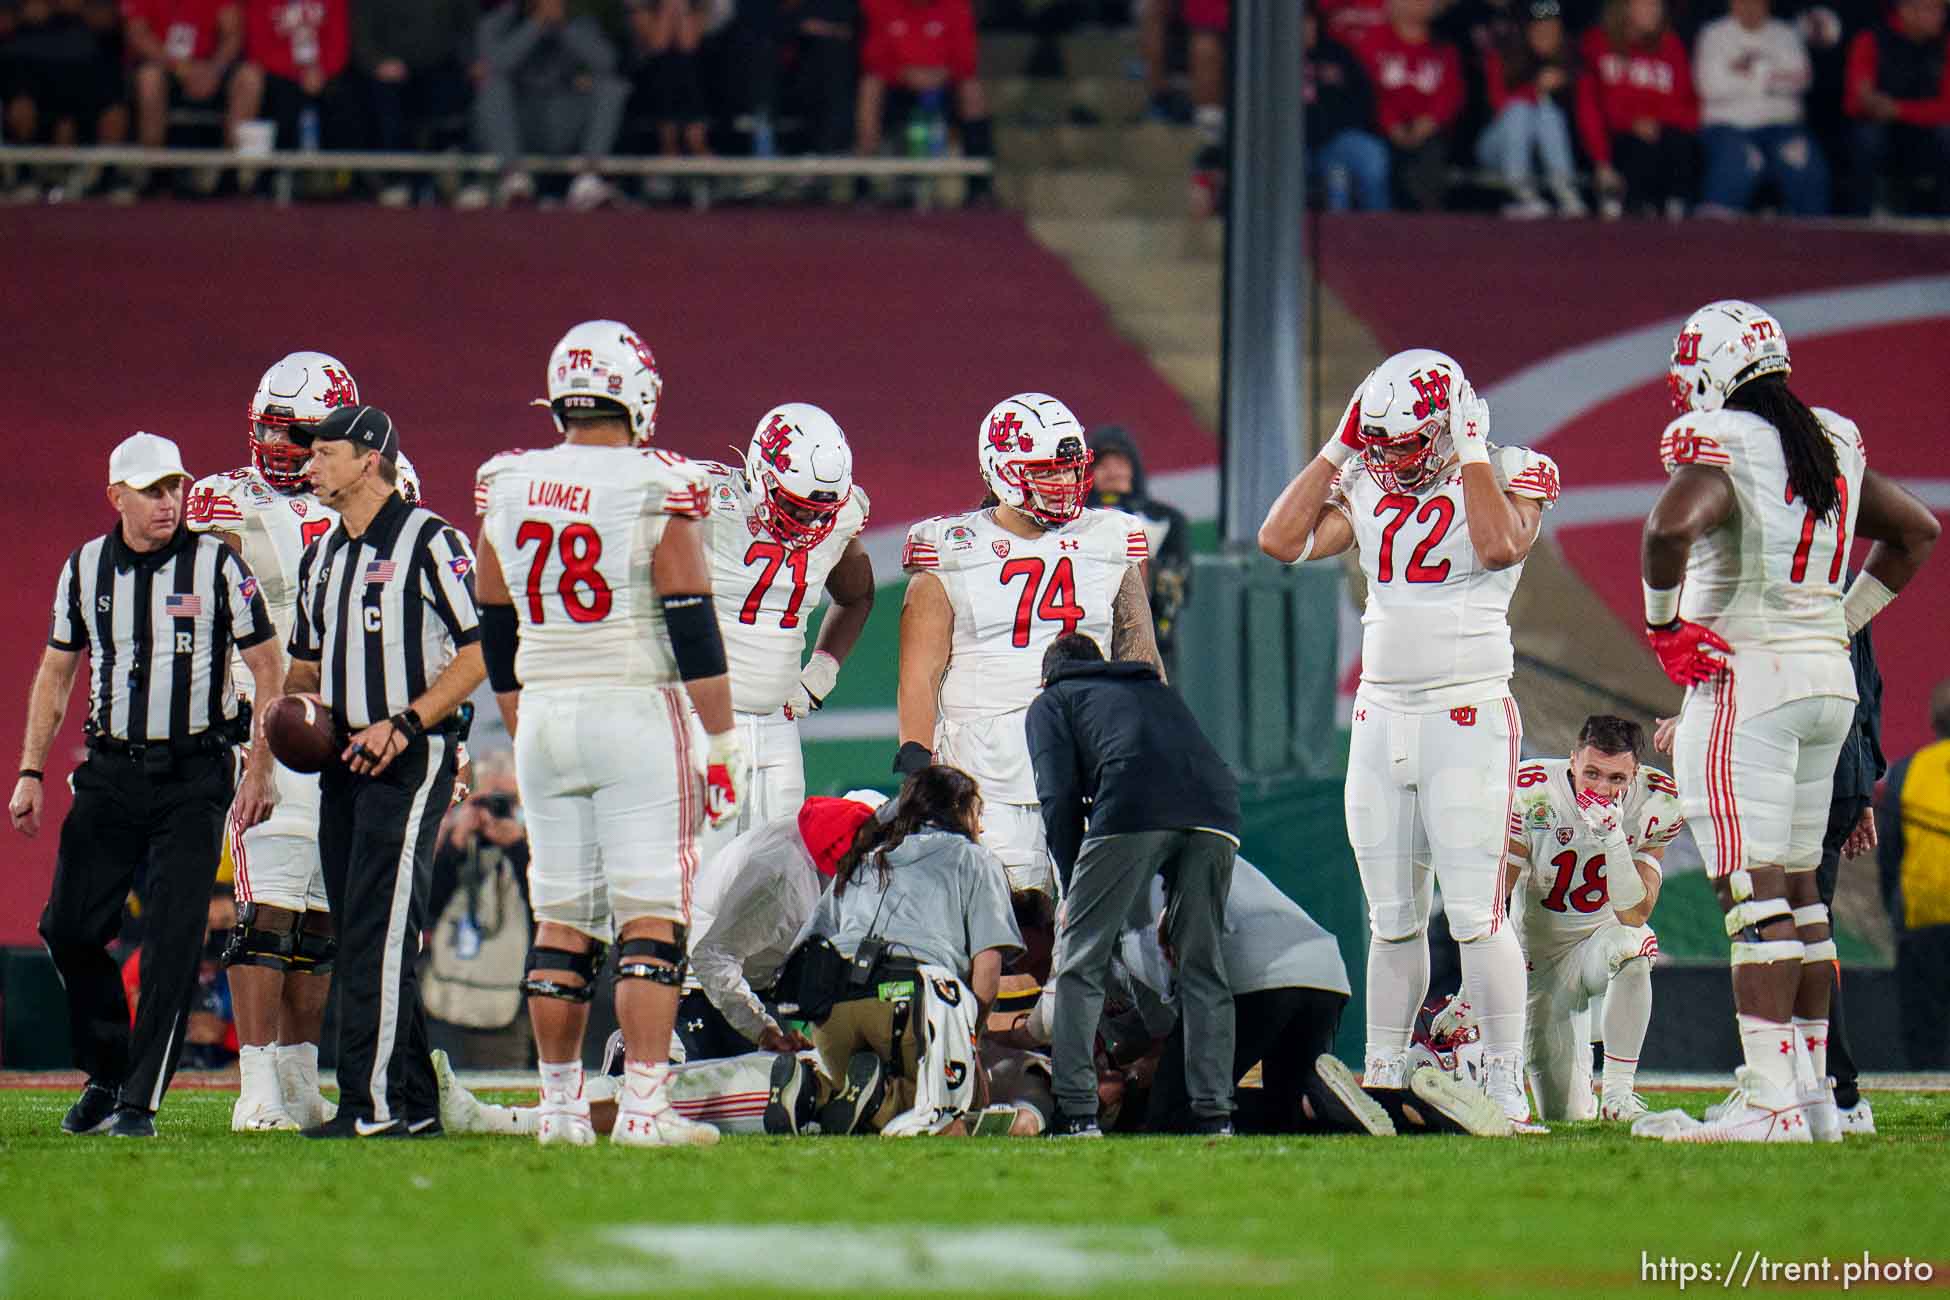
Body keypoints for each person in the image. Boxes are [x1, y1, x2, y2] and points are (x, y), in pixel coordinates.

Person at [1634, 299, 1938, 1142]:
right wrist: (1838, 621)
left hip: (1748, 684)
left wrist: (1665, 628)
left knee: (1753, 896)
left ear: (1712, 368)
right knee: (1801, 896)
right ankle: (1809, 1097)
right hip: (1823, 682)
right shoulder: (1828, 438)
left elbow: (1667, 527)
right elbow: (1916, 530)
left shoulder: (1726, 444)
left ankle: (1768, 1093)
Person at [1257, 348, 1562, 1128]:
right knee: (1389, 914)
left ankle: (1502, 1078)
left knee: (1474, 912)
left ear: (1455, 420)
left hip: (1467, 712)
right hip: (1380, 715)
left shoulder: (1508, 468)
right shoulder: (1366, 477)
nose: (1389, 457)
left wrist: (1465, 452)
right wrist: (1337, 446)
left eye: (1405, 441)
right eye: (1380, 441)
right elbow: (1279, 541)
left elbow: (1498, 545)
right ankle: (1386, 1073)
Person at [474, 319, 743, 1149]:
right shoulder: (657, 480)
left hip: (546, 710)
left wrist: (519, 710)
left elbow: (493, 608)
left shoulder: (508, 479)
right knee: (650, 915)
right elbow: (690, 613)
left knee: (561, 917)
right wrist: (724, 737)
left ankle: (559, 1110)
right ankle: (642, 1109)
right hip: (632, 706)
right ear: (638, 394)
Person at [11, 432, 281, 1138]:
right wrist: (31, 770)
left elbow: (269, 665)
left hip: (196, 771)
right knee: (67, 928)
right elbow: (55, 672)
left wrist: (259, 764)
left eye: (175, 487)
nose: (170, 502)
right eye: (153, 490)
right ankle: (106, 1068)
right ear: (117, 497)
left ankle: (138, 1101)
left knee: (171, 934)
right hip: (110, 769)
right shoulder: (85, 569)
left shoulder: (218, 564)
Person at [284, 404, 486, 1138]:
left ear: (370, 458)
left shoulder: (433, 541)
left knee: (376, 928)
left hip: (410, 760)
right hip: (340, 765)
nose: (309, 465)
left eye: (324, 452)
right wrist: (290, 718)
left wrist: (405, 723)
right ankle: (415, 1104)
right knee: (367, 930)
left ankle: (367, 1107)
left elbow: (482, 647)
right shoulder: (322, 556)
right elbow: (305, 665)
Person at [185, 350, 363, 1133]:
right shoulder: (223, 499)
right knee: (268, 909)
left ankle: (297, 1080)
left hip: (349, 719)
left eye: (297, 431)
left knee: (320, 915)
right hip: (266, 720)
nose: (280, 445)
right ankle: (255, 1084)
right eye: (272, 428)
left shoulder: (374, 490)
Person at [896, 393, 1159, 900]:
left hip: (1086, 758)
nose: (1064, 484)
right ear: (1003, 470)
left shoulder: (1110, 538)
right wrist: (916, 766)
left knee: (1094, 919)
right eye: (1048, 472)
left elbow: (1141, 658)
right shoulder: (952, 548)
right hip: (983, 769)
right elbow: (920, 673)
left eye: (1070, 470)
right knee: (999, 918)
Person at [1026, 632, 1240, 1136]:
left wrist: (1072, 874)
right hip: (1218, 812)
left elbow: (1057, 796)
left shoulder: (1054, 700)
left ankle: (1077, 1110)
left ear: (1046, 675)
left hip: (1132, 804)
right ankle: (1215, 1114)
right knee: (1203, 967)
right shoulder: (1153, 689)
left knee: (1082, 962)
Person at [688, 403, 874, 946]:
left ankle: (755, 1023)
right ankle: (674, 1029)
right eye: (798, 506)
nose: (812, 523)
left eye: (823, 510)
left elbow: (857, 594)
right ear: (760, 475)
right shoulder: (702, 502)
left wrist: (821, 672)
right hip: (703, 724)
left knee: (782, 891)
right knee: (701, 885)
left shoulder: (834, 521)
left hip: (776, 725)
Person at [785, 765, 1023, 1136]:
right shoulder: (975, 860)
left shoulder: (862, 859)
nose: (981, 826)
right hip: (909, 1005)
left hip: (833, 1010)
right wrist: (967, 1040)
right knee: (954, 1116)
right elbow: (988, 973)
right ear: (959, 809)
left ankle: (818, 1091)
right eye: (978, 813)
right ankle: (880, 1100)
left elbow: (804, 951)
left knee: (867, 1109)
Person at [1504, 715, 1682, 1124]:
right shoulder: (1532, 792)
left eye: (1617, 779)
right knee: (1563, 1115)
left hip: (1601, 942)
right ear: (1572, 762)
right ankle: (1579, 1036)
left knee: (1634, 945)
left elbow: (1634, 913)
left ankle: (1619, 1094)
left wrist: (1614, 839)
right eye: (1592, 774)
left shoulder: (1658, 802)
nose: (1603, 789)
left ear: (1635, 773)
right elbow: (1496, 900)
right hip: (1540, 961)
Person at [690, 794, 881, 1062]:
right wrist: (764, 1030)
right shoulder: (784, 883)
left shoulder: (856, 820)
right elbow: (711, 957)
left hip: (758, 976)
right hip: (705, 988)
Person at [471, 0, 630, 210]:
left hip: (563, 119)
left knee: (612, 87)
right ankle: (514, 180)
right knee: (492, 86)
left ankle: (588, 179)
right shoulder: (499, 22)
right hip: (520, 124)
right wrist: (536, 24)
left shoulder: (578, 21)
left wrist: (563, 27)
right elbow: (495, 64)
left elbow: (606, 62)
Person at [1694, 0, 1829, 217]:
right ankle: (1714, 237)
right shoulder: (1714, 34)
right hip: (1729, 128)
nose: (1750, 6)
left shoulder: (1785, 34)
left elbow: (1802, 80)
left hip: (1783, 127)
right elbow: (1710, 85)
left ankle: (1815, 239)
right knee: (1738, 161)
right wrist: (1769, 77)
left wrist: (1744, 74)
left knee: (1806, 161)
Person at [1875, 679, 1950, 1070]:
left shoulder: (1908, 771)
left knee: (1926, 1028)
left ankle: (1927, 1087)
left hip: (1924, 915)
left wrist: (1894, 910)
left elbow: (1890, 849)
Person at [853, 0, 995, 205]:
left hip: (943, 86)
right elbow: (874, 56)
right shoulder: (881, 5)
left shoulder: (956, 6)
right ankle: (863, 184)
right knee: (870, 85)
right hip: (897, 85)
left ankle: (979, 187)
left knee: (971, 89)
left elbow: (966, 58)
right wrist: (903, 73)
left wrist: (941, 73)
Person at [1575, 0, 1699, 219]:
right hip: (1618, 143)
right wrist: (1601, 161)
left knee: (1677, 144)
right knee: (1637, 150)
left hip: (1665, 139)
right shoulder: (1597, 43)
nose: (1655, 10)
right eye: (1646, 4)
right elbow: (1590, 109)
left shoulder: (1671, 45)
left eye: (1658, 5)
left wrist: (1655, 120)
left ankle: (1675, 210)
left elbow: (1689, 108)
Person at [350, 0, 477, 207]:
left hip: (444, 63)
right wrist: (376, 63)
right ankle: (396, 179)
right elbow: (361, 32)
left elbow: (468, 23)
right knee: (383, 102)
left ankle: (456, 178)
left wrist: (470, 60)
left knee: (451, 96)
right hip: (388, 67)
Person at [1086, 428, 1190, 666]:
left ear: (1133, 468)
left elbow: (1179, 589)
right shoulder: (1072, 521)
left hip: (1150, 646)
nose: (1113, 472)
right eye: (1103, 464)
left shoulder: (1166, 520)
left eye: (1120, 462)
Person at [1351, 0, 1465, 212]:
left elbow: (1452, 93)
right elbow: (1367, 90)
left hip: (1429, 133)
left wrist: (1430, 121)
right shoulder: (1372, 41)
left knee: (1431, 159)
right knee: (1378, 159)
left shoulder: (1444, 47)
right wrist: (1391, 124)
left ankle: (1430, 228)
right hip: (1380, 130)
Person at [1842, 0, 1950, 216]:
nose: (1941, 16)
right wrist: (1871, 105)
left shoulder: (1946, 44)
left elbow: (1947, 108)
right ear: (1906, 11)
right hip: (1886, 134)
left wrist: (1898, 109)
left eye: (1942, 9)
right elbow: (1853, 103)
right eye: (1933, 9)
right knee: (1867, 137)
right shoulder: (1870, 40)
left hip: (1927, 134)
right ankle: (1862, 219)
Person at [1477, 0, 1584, 218]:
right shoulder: (1504, 56)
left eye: (1552, 27)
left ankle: (1565, 189)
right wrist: (1537, 87)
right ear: (1527, 30)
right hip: (1496, 148)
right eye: (1539, 27)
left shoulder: (1570, 62)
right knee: (1520, 110)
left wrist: (1563, 84)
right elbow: (1499, 104)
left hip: (1540, 156)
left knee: (1549, 115)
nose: (1546, 32)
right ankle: (1519, 192)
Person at [231, 0, 351, 156]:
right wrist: (299, 71)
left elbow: (339, 42)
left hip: (324, 74)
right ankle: (253, 172)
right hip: (278, 74)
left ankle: (345, 174)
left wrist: (321, 69)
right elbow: (257, 47)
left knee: (347, 99)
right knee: (281, 98)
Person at [1305, 7, 1391, 211]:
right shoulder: (1270, 59)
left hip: (1338, 138)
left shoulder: (1338, 55)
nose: (1304, 29)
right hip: (1288, 145)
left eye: (1308, 22)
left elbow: (1363, 98)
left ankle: (1382, 230)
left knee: (1372, 156)